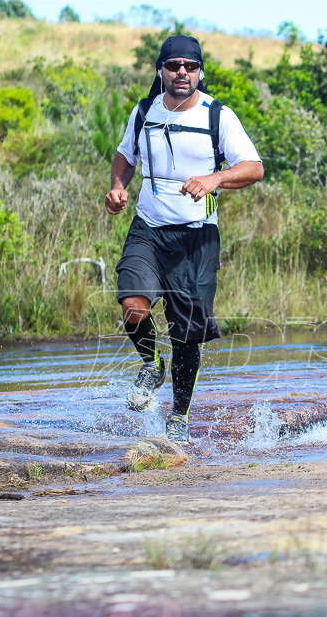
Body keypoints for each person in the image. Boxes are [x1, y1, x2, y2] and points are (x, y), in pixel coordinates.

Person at [104, 35, 263, 442]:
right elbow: (125, 155)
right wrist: (119, 186)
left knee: (186, 332)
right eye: (173, 65)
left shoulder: (218, 116)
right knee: (133, 305)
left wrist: (216, 179)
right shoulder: (144, 111)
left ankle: (179, 417)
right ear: (160, 70)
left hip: (197, 238)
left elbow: (253, 168)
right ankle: (150, 363)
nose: (181, 73)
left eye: (189, 67)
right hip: (148, 229)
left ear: (200, 73)